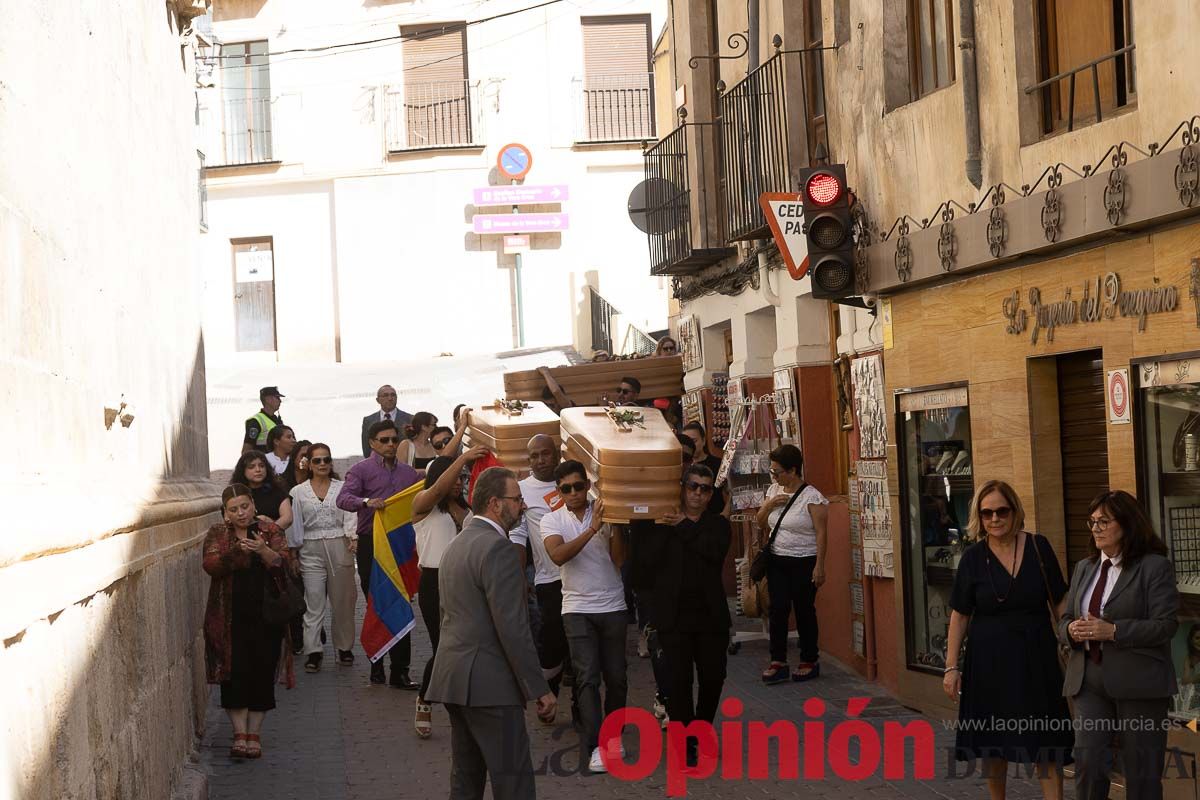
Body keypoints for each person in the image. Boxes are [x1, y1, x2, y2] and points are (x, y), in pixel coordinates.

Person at [424, 467, 556, 800]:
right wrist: (539, 688)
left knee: (466, 782)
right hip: (490, 685)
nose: (522, 506)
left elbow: (449, 616)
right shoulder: (499, 549)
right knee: (514, 783)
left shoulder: (457, 544)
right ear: (496, 504)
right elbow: (513, 627)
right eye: (517, 499)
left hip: (455, 680)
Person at [942, 480, 1074, 800]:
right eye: (987, 513)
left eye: (1002, 511)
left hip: (1037, 657)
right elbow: (960, 615)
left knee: (1046, 741)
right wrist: (950, 667)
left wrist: (1071, 638)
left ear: (1015, 511)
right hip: (987, 661)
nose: (995, 519)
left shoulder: (1039, 548)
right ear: (979, 517)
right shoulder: (973, 557)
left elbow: (1060, 602)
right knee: (992, 741)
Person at [1058, 489, 1178, 800]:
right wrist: (1070, 629)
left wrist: (1113, 631)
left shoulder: (1154, 567)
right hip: (1089, 682)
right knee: (1088, 765)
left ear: (1126, 524)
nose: (1095, 528)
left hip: (1140, 684)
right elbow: (1065, 619)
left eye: (1103, 521)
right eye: (1092, 522)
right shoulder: (1085, 567)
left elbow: (1166, 626)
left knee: (1141, 777)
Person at [632, 464, 731, 768]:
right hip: (673, 618)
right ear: (682, 488)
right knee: (678, 682)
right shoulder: (662, 525)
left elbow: (712, 551)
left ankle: (700, 729)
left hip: (711, 618)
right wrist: (663, 525)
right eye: (693, 487)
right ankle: (686, 739)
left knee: (714, 678)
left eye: (705, 488)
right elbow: (644, 563)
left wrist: (681, 527)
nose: (698, 494)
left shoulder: (718, 525)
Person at [542, 461, 627, 774]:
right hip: (576, 608)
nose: (575, 493)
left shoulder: (607, 510)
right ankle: (594, 747)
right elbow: (558, 555)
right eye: (567, 489)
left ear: (587, 485)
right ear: (559, 492)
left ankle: (614, 737)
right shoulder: (552, 521)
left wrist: (614, 525)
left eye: (579, 486)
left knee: (616, 677)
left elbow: (619, 560)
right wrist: (593, 528)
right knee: (587, 679)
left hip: (613, 604)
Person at [203, 484, 291, 759]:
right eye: (233, 510)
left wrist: (263, 550)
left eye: (244, 506)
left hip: (266, 614)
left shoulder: (270, 530)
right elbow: (211, 565)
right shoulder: (218, 533)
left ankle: (255, 734)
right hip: (229, 616)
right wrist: (238, 553)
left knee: (262, 671)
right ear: (225, 513)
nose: (240, 513)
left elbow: (284, 563)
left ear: (253, 505)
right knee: (235, 673)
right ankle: (239, 733)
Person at [337, 419, 421, 688]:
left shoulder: (409, 474)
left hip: (401, 545)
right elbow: (343, 499)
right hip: (371, 544)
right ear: (372, 443)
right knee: (378, 603)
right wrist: (365, 502)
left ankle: (400, 671)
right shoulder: (360, 470)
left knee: (401, 602)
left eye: (394, 440)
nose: (390, 445)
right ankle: (377, 664)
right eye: (384, 440)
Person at [411, 446, 489, 739]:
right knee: (443, 647)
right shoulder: (423, 505)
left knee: (469, 645)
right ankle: (425, 699)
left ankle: (466, 705)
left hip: (466, 583)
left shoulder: (468, 510)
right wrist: (462, 459)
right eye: (454, 476)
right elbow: (437, 490)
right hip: (434, 581)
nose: (458, 482)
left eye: (462, 477)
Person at [509, 435, 574, 720]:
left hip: (583, 579)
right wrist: (519, 577)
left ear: (556, 454)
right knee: (552, 643)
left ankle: (582, 707)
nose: (539, 461)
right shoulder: (522, 491)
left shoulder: (574, 482)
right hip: (549, 581)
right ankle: (550, 692)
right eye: (533, 456)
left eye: (544, 454)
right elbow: (517, 536)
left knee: (579, 645)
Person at [755, 445, 828, 684]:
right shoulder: (774, 490)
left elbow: (821, 533)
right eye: (772, 472)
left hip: (804, 560)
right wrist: (768, 505)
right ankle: (778, 660)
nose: (774, 476)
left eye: (777, 472)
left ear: (793, 470)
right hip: (777, 559)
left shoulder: (812, 497)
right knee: (778, 609)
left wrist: (820, 565)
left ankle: (809, 659)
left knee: (804, 610)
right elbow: (759, 522)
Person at [288, 443, 358, 674]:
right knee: (314, 600)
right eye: (317, 460)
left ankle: (344, 647)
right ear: (308, 463)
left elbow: (350, 511)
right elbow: (294, 523)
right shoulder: (298, 492)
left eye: (326, 459)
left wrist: (352, 536)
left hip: (339, 543)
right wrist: (294, 551)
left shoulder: (343, 488)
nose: (322, 464)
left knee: (343, 601)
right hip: (310, 547)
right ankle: (314, 651)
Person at [400, 411, 469, 471]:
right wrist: (429, 471)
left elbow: (444, 459)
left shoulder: (435, 446)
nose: (437, 427)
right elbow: (401, 470)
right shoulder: (406, 445)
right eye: (434, 424)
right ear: (424, 427)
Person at [361, 385, 412, 459]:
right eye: (385, 395)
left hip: (402, 465)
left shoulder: (409, 419)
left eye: (393, 395)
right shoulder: (368, 420)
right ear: (378, 400)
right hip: (377, 466)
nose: (390, 398)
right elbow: (366, 448)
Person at [243, 386, 285, 454]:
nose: (280, 401)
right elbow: (246, 449)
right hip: (263, 463)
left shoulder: (277, 421)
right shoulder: (255, 421)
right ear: (268, 399)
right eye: (277, 397)